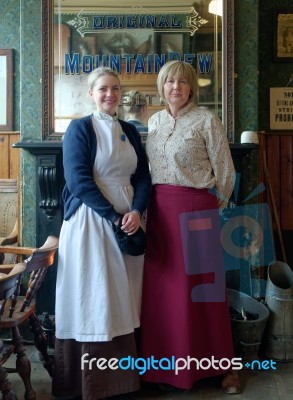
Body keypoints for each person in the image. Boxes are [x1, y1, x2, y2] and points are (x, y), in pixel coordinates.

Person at [140, 60, 240, 394]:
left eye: (183, 82)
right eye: (170, 82)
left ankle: (222, 369)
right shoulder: (153, 121)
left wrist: (211, 209)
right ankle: (161, 370)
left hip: (197, 210)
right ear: (162, 85)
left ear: (192, 87)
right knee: (164, 293)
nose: (176, 87)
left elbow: (226, 173)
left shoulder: (207, 120)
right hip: (160, 211)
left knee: (204, 292)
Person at [52, 66, 152, 400]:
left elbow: (142, 178)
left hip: (129, 220)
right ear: (91, 93)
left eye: (115, 88)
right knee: (97, 292)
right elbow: (78, 180)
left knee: (124, 294)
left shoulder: (130, 130)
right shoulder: (80, 129)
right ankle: (91, 383)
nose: (110, 94)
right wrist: (113, 214)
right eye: (103, 89)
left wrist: (136, 211)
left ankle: (124, 381)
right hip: (92, 219)